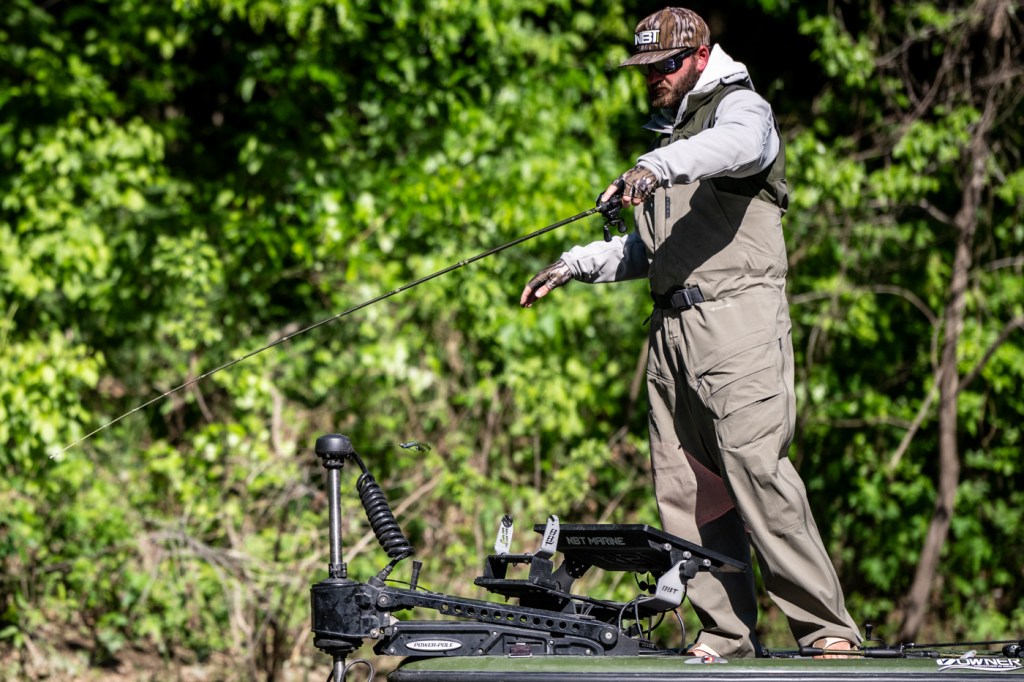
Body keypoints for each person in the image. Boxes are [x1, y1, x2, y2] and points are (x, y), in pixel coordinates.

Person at [519, 7, 860, 659]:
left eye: (667, 64)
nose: (656, 76)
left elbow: (739, 148)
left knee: (757, 472)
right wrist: (574, 265)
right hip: (671, 332)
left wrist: (655, 166)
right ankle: (726, 632)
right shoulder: (672, 136)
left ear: (701, 56)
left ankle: (827, 630)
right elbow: (653, 250)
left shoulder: (741, 109)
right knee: (687, 491)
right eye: (647, 68)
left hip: (738, 323)